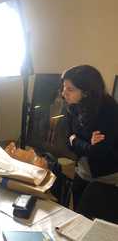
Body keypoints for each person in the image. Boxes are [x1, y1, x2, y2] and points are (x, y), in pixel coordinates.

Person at [61, 65, 118, 212]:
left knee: (98, 220)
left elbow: (98, 151)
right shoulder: (73, 106)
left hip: (105, 177)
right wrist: (85, 144)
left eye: (70, 89)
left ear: (86, 92)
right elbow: (68, 140)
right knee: (78, 214)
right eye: (64, 87)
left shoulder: (109, 109)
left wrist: (76, 140)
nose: (63, 93)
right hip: (82, 170)